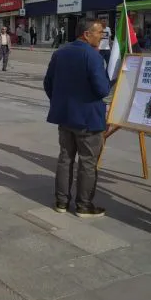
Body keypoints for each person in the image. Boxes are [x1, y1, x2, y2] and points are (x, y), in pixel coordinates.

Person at [44, 18, 110, 218]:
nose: (101, 36)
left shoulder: (60, 53)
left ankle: (61, 202)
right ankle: (84, 205)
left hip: (65, 117)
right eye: (99, 32)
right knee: (87, 162)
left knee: (65, 159)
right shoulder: (93, 56)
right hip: (88, 119)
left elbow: (48, 84)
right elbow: (102, 89)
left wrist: (61, 102)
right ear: (87, 34)